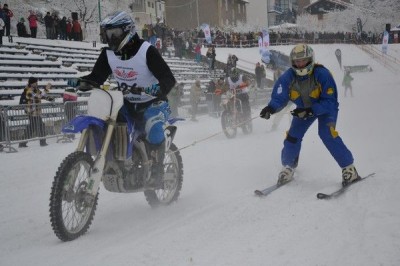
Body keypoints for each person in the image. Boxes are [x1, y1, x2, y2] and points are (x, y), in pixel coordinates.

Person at [68, 11, 176, 188]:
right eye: (107, 34)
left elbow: (168, 79)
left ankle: (157, 171)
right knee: (108, 122)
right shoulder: (108, 54)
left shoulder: (146, 51)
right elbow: (97, 77)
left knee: (153, 127)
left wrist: (156, 88)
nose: (111, 39)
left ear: (128, 31)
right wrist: (81, 82)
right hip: (125, 103)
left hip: (153, 102)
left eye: (114, 34)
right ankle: (121, 161)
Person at [259, 44, 360, 186]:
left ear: (310, 59)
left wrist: (312, 110)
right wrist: (270, 108)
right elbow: (279, 96)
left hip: (325, 108)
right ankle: (288, 166)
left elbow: (330, 101)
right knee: (292, 137)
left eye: (303, 60)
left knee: (326, 134)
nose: (299, 64)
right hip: (303, 109)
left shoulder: (322, 74)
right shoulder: (288, 77)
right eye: (296, 61)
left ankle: (349, 168)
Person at [19, 77, 54, 148]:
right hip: (32, 112)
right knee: (39, 126)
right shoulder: (28, 90)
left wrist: (49, 98)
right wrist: (46, 89)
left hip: (36, 112)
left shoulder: (36, 89)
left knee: (32, 127)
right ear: (31, 83)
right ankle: (42, 142)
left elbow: (42, 96)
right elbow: (38, 96)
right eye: (35, 82)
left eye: (36, 82)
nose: (36, 83)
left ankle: (23, 143)